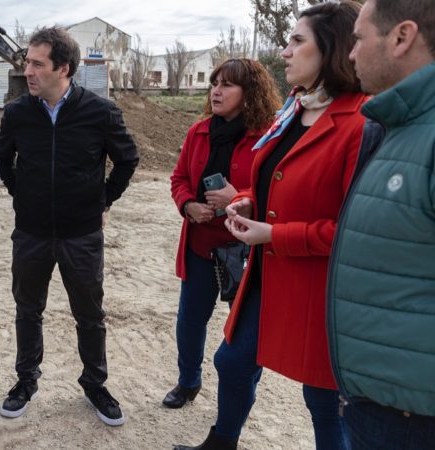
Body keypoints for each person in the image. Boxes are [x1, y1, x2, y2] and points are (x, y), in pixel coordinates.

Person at [174, 2, 368, 449]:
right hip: (267, 274)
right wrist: (245, 201)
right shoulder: (294, 111)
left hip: (318, 285)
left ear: (332, 49)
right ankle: (222, 442)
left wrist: (272, 234)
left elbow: (354, 231)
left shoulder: (360, 122)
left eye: (297, 41)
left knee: (323, 397)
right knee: (233, 360)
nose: (284, 51)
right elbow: (271, 184)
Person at [0, 26, 139, 427]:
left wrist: (102, 200)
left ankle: (95, 384)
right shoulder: (18, 113)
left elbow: (127, 159)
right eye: (27, 62)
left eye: (37, 64)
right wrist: (22, 196)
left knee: (90, 315)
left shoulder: (100, 112)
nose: (28, 71)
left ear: (64, 69)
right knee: (28, 310)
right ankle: (25, 381)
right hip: (32, 234)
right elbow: (1, 158)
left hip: (82, 235)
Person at [328, 1, 435, 448]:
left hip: (413, 418)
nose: (350, 54)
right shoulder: (398, 126)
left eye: (358, 38)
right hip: (383, 405)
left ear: (401, 36)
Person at [166, 58, 281, 409]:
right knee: (190, 321)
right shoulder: (198, 131)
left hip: (244, 251)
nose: (216, 90)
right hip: (201, 245)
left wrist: (239, 197)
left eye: (227, 84)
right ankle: (188, 383)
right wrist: (188, 205)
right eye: (214, 82)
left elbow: (279, 195)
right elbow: (179, 179)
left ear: (250, 94)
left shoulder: (268, 137)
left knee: (245, 333)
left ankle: (240, 394)